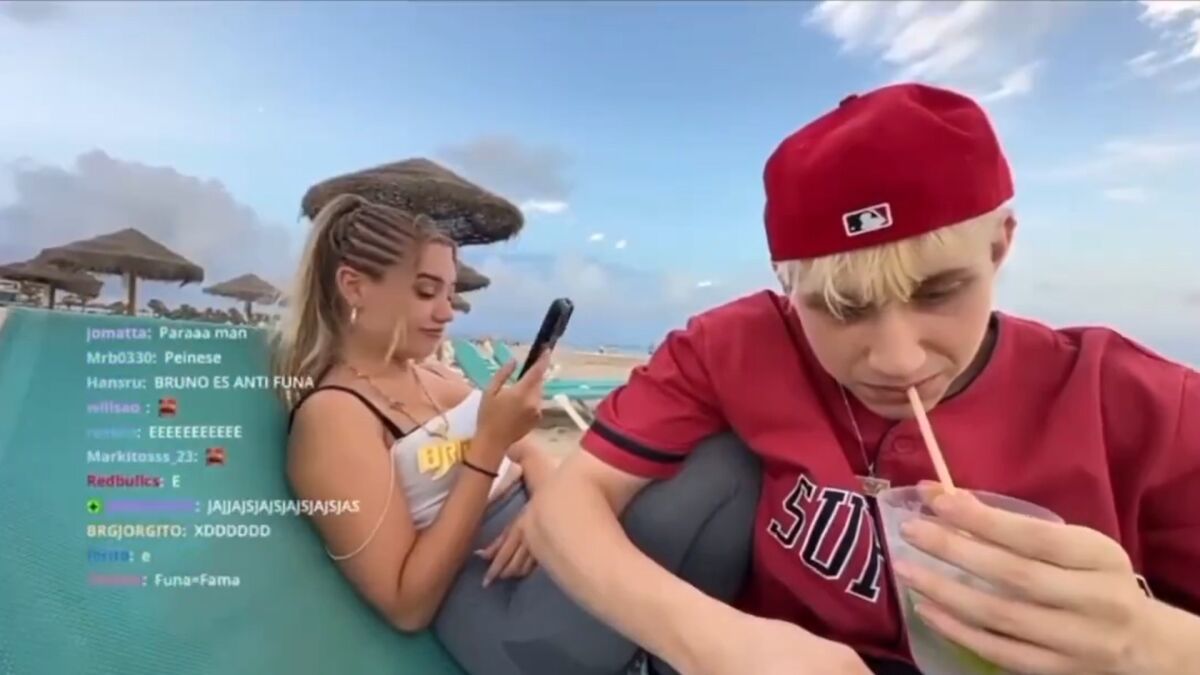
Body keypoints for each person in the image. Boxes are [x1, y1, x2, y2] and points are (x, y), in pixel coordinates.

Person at [525, 82, 1200, 675]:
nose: (899, 359)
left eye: (940, 291)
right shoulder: (738, 346)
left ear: (999, 246)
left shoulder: (1142, 404)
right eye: (841, 307)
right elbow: (567, 504)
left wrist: (1147, 640)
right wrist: (710, 641)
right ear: (786, 283)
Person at [272, 193, 761, 675]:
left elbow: (527, 450)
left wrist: (552, 516)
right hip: (503, 607)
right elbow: (406, 604)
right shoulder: (335, 415)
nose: (446, 312)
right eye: (425, 292)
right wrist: (487, 449)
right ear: (354, 286)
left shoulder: (432, 375)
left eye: (449, 293)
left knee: (727, 463)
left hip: (551, 549)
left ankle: (681, 661)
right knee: (720, 471)